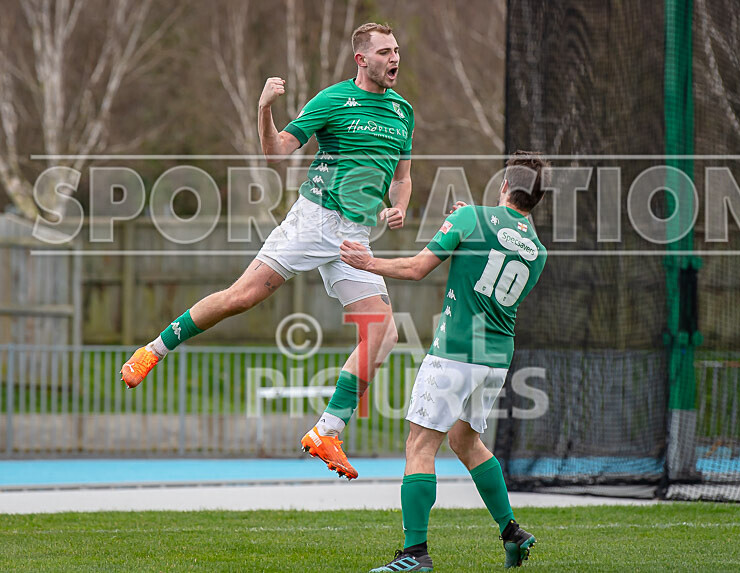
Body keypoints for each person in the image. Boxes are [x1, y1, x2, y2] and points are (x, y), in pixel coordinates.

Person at [120, 23, 414, 480]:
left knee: (383, 332)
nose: (394, 58)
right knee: (241, 298)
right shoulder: (332, 100)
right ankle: (153, 350)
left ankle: (327, 431)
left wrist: (400, 206)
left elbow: (403, 177)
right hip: (315, 220)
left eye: (395, 50)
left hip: (355, 236)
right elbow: (276, 153)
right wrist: (264, 109)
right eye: (384, 52)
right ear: (361, 59)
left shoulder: (402, 111)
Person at [340, 151, 550, 571]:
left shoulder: (471, 218)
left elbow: (418, 268)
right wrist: (469, 221)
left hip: (455, 351)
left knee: (420, 446)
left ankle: (414, 553)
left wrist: (368, 262)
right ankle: (512, 532)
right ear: (536, 199)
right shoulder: (538, 251)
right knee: (465, 441)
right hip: (496, 357)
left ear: (504, 186)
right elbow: (495, 252)